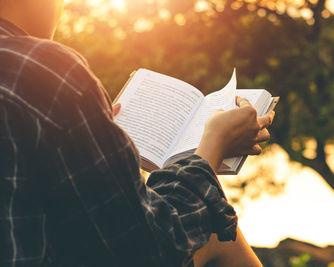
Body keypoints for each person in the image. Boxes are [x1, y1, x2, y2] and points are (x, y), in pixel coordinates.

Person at [0, 0, 274, 266]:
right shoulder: (44, 68)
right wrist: (212, 146)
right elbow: (148, 250)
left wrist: (96, 143)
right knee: (218, 235)